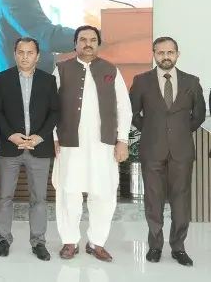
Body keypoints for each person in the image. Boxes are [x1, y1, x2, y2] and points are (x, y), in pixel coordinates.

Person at [52, 25, 132, 262]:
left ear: (99, 43)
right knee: (69, 192)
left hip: (103, 144)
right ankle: (69, 241)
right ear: (75, 43)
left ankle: (96, 242)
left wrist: (123, 140)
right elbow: (52, 107)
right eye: (83, 39)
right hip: (69, 143)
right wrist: (55, 137)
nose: (88, 43)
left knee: (104, 193)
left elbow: (123, 108)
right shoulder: (61, 69)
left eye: (93, 39)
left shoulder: (111, 70)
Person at [130, 37, 205, 267]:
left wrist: (180, 133)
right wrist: (153, 131)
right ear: (154, 54)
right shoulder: (141, 81)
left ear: (177, 54)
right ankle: (155, 246)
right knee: (153, 200)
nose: (166, 56)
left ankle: (178, 247)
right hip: (152, 149)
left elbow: (199, 115)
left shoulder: (192, 81)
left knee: (181, 200)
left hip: (181, 151)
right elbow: (133, 114)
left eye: (170, 52)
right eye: (161, 52)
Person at [0, 37, 58, 261]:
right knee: (4, 197)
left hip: (39, 147)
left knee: (39, 198)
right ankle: (3, 239)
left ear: (37, 56)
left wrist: (40, 137)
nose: (25, 57)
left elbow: (55, 112)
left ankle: (38, 242)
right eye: (21, 52)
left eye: (30, 53)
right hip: (10, 148)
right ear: (15, 54)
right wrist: (10, 135)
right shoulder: (2, 78)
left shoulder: (48, 80)